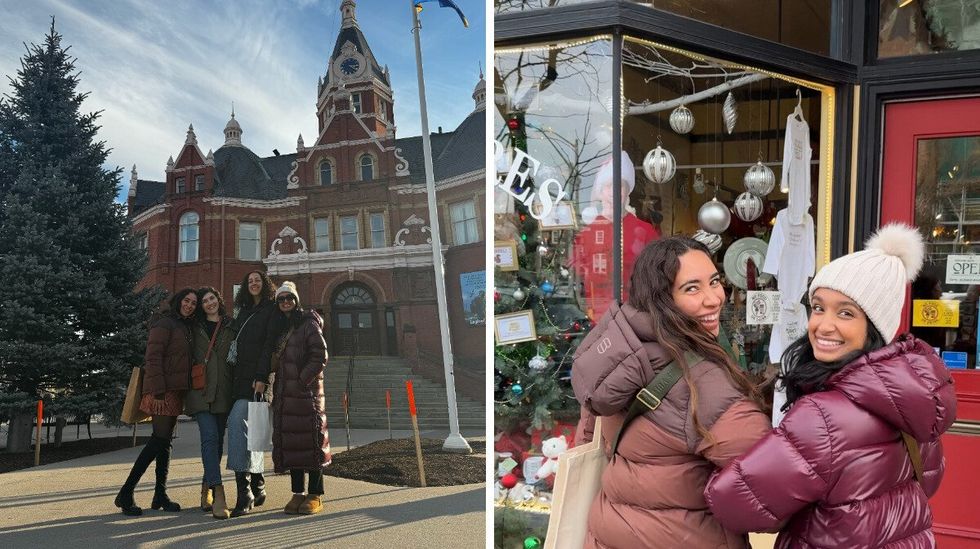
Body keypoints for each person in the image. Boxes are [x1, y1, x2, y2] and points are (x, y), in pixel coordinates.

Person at [705, 224, 958, 548]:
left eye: (846, 313)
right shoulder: (913, 396)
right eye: (819, 307)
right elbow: (930, 481)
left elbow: (736, 505)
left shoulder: (823, 417)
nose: (824, 324)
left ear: (874, 327)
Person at [571, 237, 771, 548]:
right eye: (692, 288)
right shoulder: (704, 384)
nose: (714, 299)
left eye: (714, 281)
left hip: (608, 532)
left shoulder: (617, 353)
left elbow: (586, 436)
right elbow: (772, 487)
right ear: (662, 299)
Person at [115, 288, 198, 516]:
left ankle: (160, 494)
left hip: (174, 391)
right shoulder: (165, 323)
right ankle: (126, 492)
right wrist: (159, 391)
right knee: (158, 440)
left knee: (165, 442)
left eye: (193, 303)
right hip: (161, 390)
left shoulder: (184, 326)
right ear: (178, 300)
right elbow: (153, 356)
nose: (189, 305)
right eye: (186, 300)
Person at [266, 281, 330, 515]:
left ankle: (315, 494)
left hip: (306, 394)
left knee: (312, 441)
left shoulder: (308, 323)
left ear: (296, 301)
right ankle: (297, 493)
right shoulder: (281, 326)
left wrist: (302, 381)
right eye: (281, 299)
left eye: (289, 298)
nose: (285, 303)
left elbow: (320, 355)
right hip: (286, 394)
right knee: (293, 443)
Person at [225, 270, 277, 517]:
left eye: (257, 280)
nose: (253, 283)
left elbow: (270, 345)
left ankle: (243, 491)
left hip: (257, 379)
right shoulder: (243, 311)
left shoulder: (271, 309)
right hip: (238, 379)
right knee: (253, 432)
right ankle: (258, 485)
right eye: (249, 281)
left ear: (264, 284)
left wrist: (263, 378)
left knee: (237, 423)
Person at [183, 286, 235, 520]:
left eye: (212, 298)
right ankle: (219, 491)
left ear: (219, 300)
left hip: (224, 391)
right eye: (204, 301)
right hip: (201, 391)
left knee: (217, 445)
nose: (209, 303)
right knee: (209, 439)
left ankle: (206, 489)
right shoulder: (194, 328)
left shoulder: (230, 325)